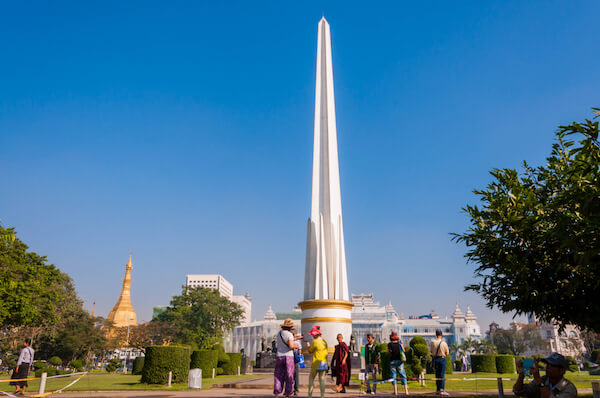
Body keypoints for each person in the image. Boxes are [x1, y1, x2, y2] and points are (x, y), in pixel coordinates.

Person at [513, 353, 577, 398]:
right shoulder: (544, 380)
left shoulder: (569, 388)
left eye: (552, 365)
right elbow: (518, 391)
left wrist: (539, 381)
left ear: (562, 371)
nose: (548, 367)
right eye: (547, 364)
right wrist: (521, 375)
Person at [274, 318, 298, 397]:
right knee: (289, 375)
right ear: (290, 327)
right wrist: (296, 345)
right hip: (288, 356)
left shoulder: (279, 333)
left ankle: (277, 392)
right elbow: (291, 346)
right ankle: (288, 393)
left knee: (278, 374)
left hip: (279, 356)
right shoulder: (289, 334)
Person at [305, 325, 328, 398]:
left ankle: (310, 395)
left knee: (311, 378)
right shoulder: (324, 341)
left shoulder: (315, 342)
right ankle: (322, 396)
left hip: (316, 362)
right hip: (324, 362)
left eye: (312, 335)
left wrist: (308, 345)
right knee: (322, 379)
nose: (312, 336)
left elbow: (310, 351)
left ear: (315, 334)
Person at [429, 329, 449, 395]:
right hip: (442, 359)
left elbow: (431, 351)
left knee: (437, 375)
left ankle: (437, 389)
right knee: (442, 375)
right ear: (441, 335)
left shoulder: (432, 342)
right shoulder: (444, 343)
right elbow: (447, 353)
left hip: (436, 359)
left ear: (436, 335)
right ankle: (442, 390)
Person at [388, 331, 408, 396]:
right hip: (399, 361)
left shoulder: (389, 344)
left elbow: (389, 352)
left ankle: (395, 391)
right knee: (403, 375)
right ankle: (406, 391)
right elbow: (404, 350)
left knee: (394, 376)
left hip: (392, 361)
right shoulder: (399, 343)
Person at [291, 327, 302, 396]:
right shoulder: (297, 343)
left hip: (289, 358)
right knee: (296, 375)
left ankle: (290, 388)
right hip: (295, 359)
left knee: (289, 374)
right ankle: (296, 389)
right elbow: (300, 352)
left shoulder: (289, 341)